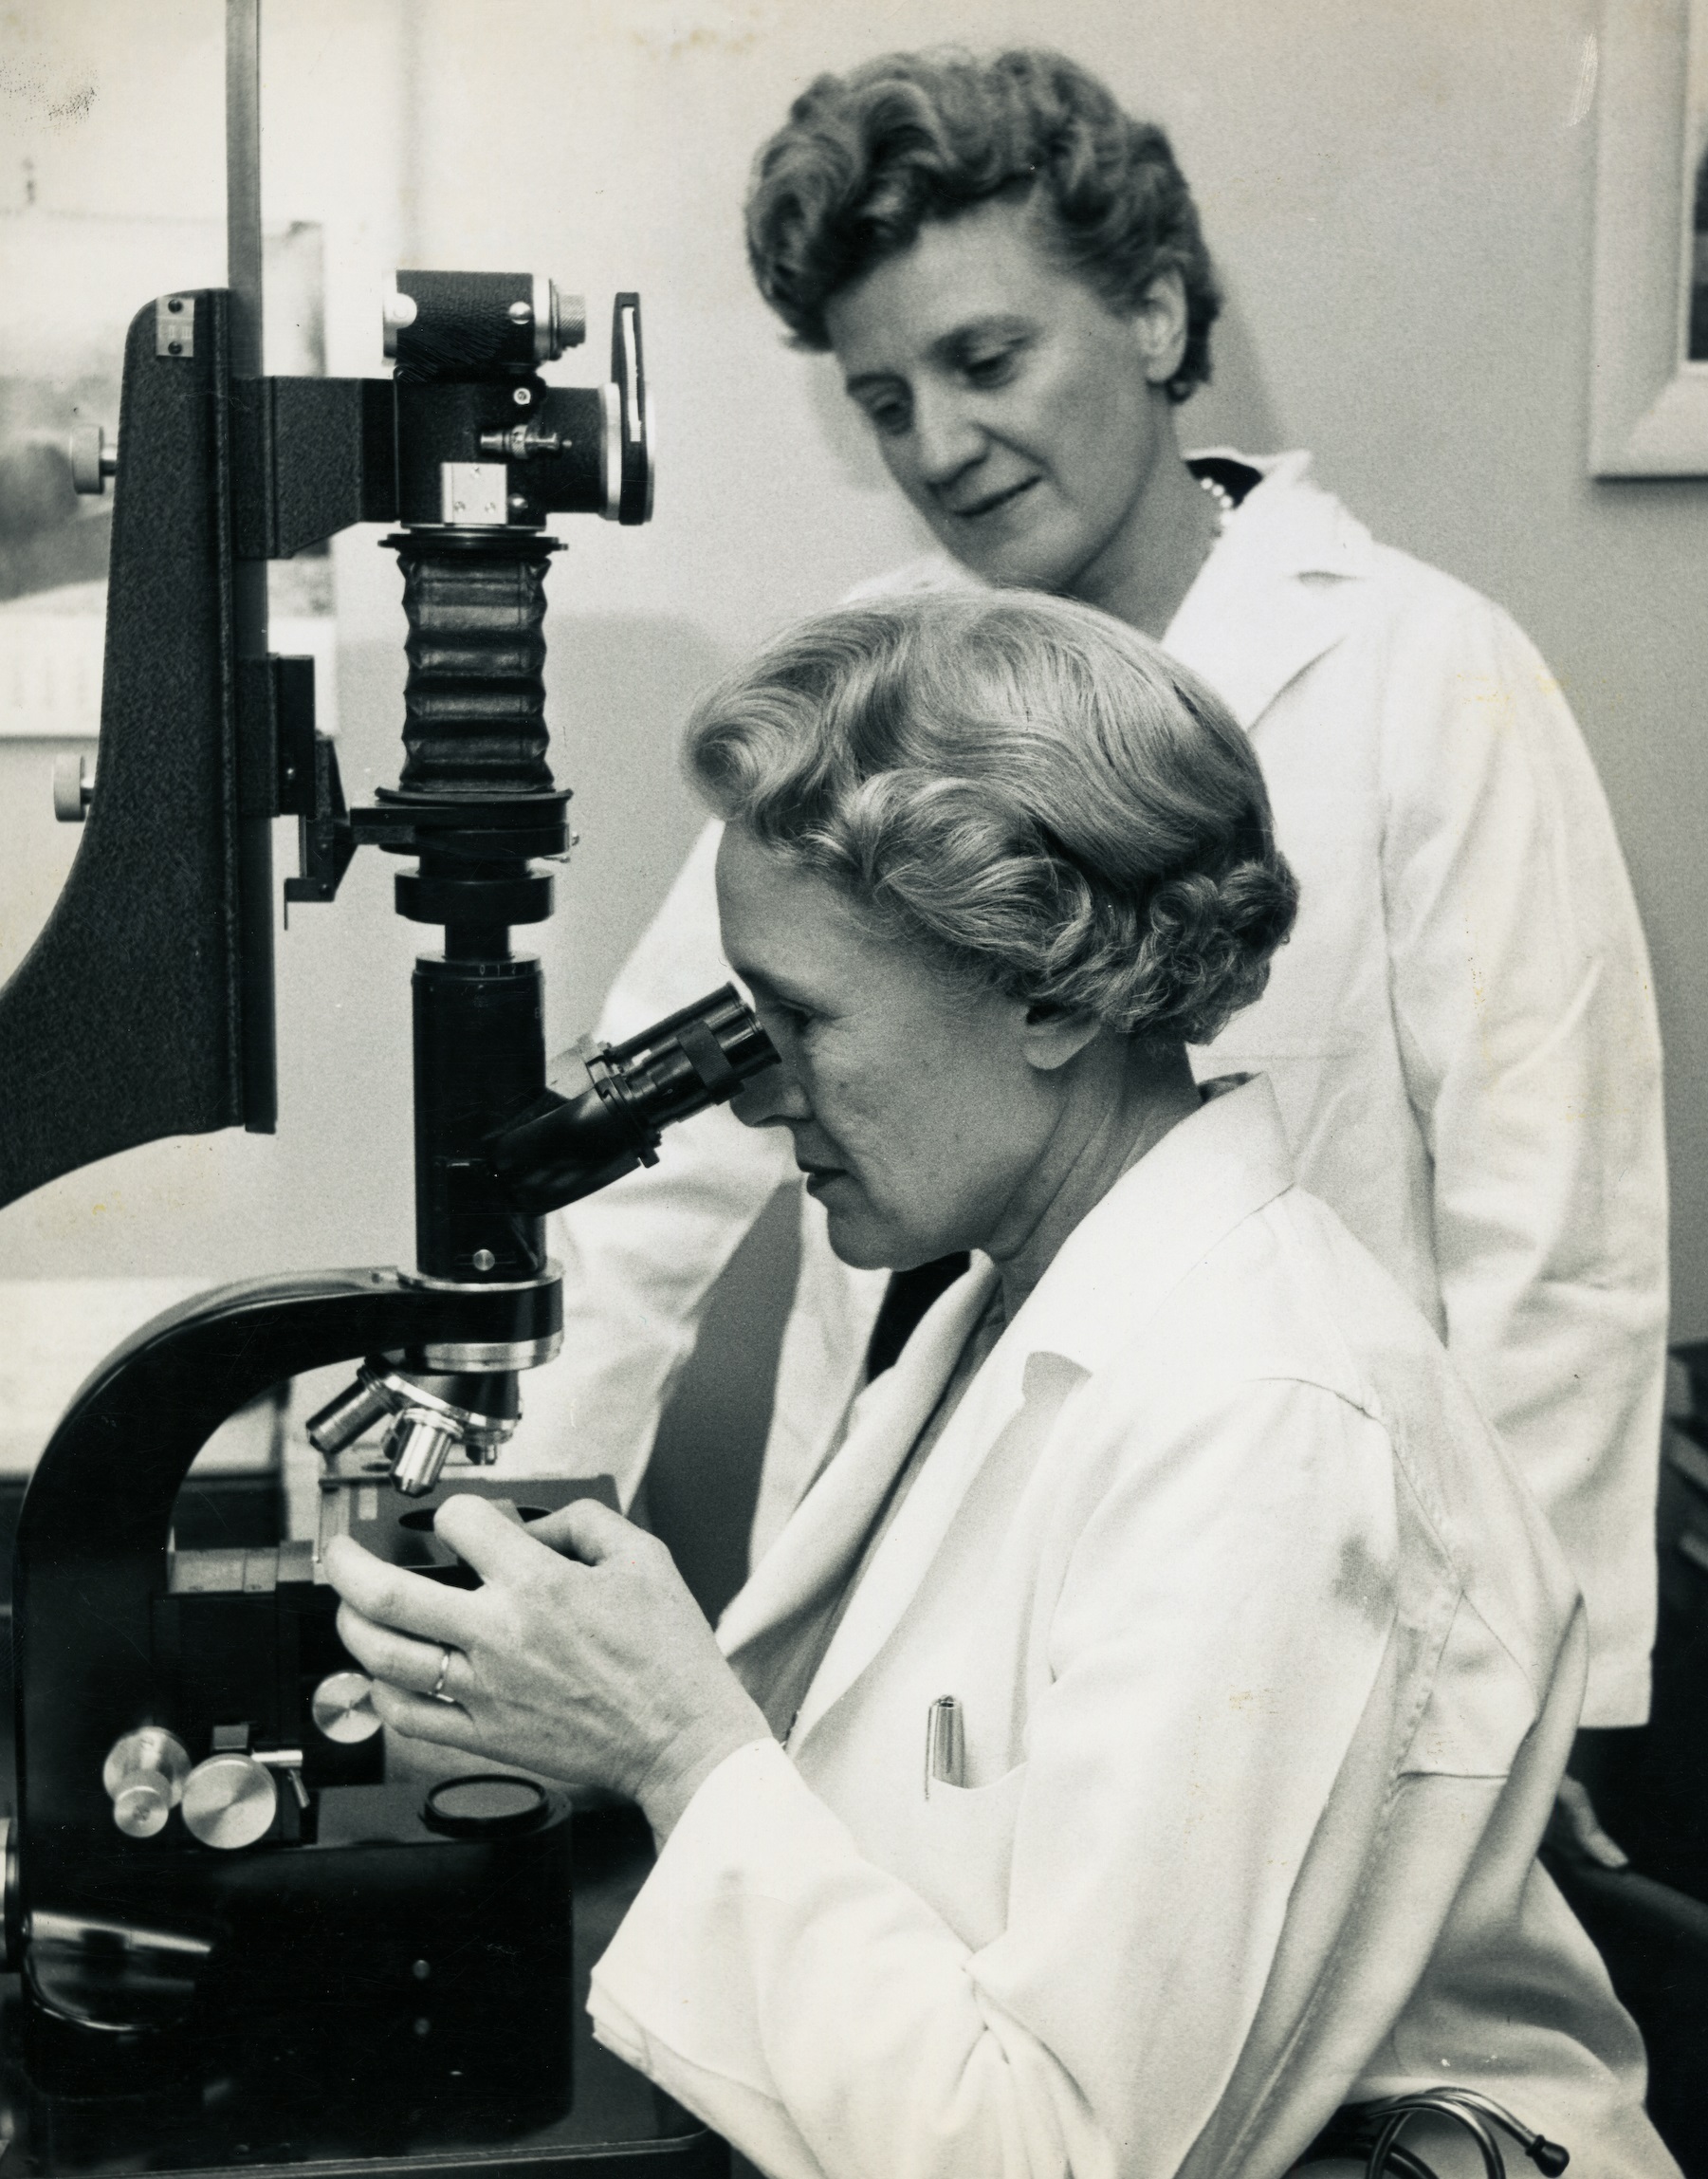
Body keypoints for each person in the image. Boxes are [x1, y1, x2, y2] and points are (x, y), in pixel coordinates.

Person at [328, 592, 1677, 2179]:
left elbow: (1051, 2154)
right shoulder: (1005, 1309)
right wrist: (573, 1714)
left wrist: (674, 1745)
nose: (756, 1095)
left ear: (1047, 992)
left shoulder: (1261, 1419)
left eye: (803, 1019)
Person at [535, 47, 1667, 1742]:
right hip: (906, 1546)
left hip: (1279, 1603)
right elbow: (649, 1144)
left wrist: (1527, 1710)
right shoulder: (864, 696)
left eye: (984, 358)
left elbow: (1556, 1243)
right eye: (884, 397)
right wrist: (520, 1521)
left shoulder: (1417, 671)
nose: (939, 440)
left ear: (1148, 316)